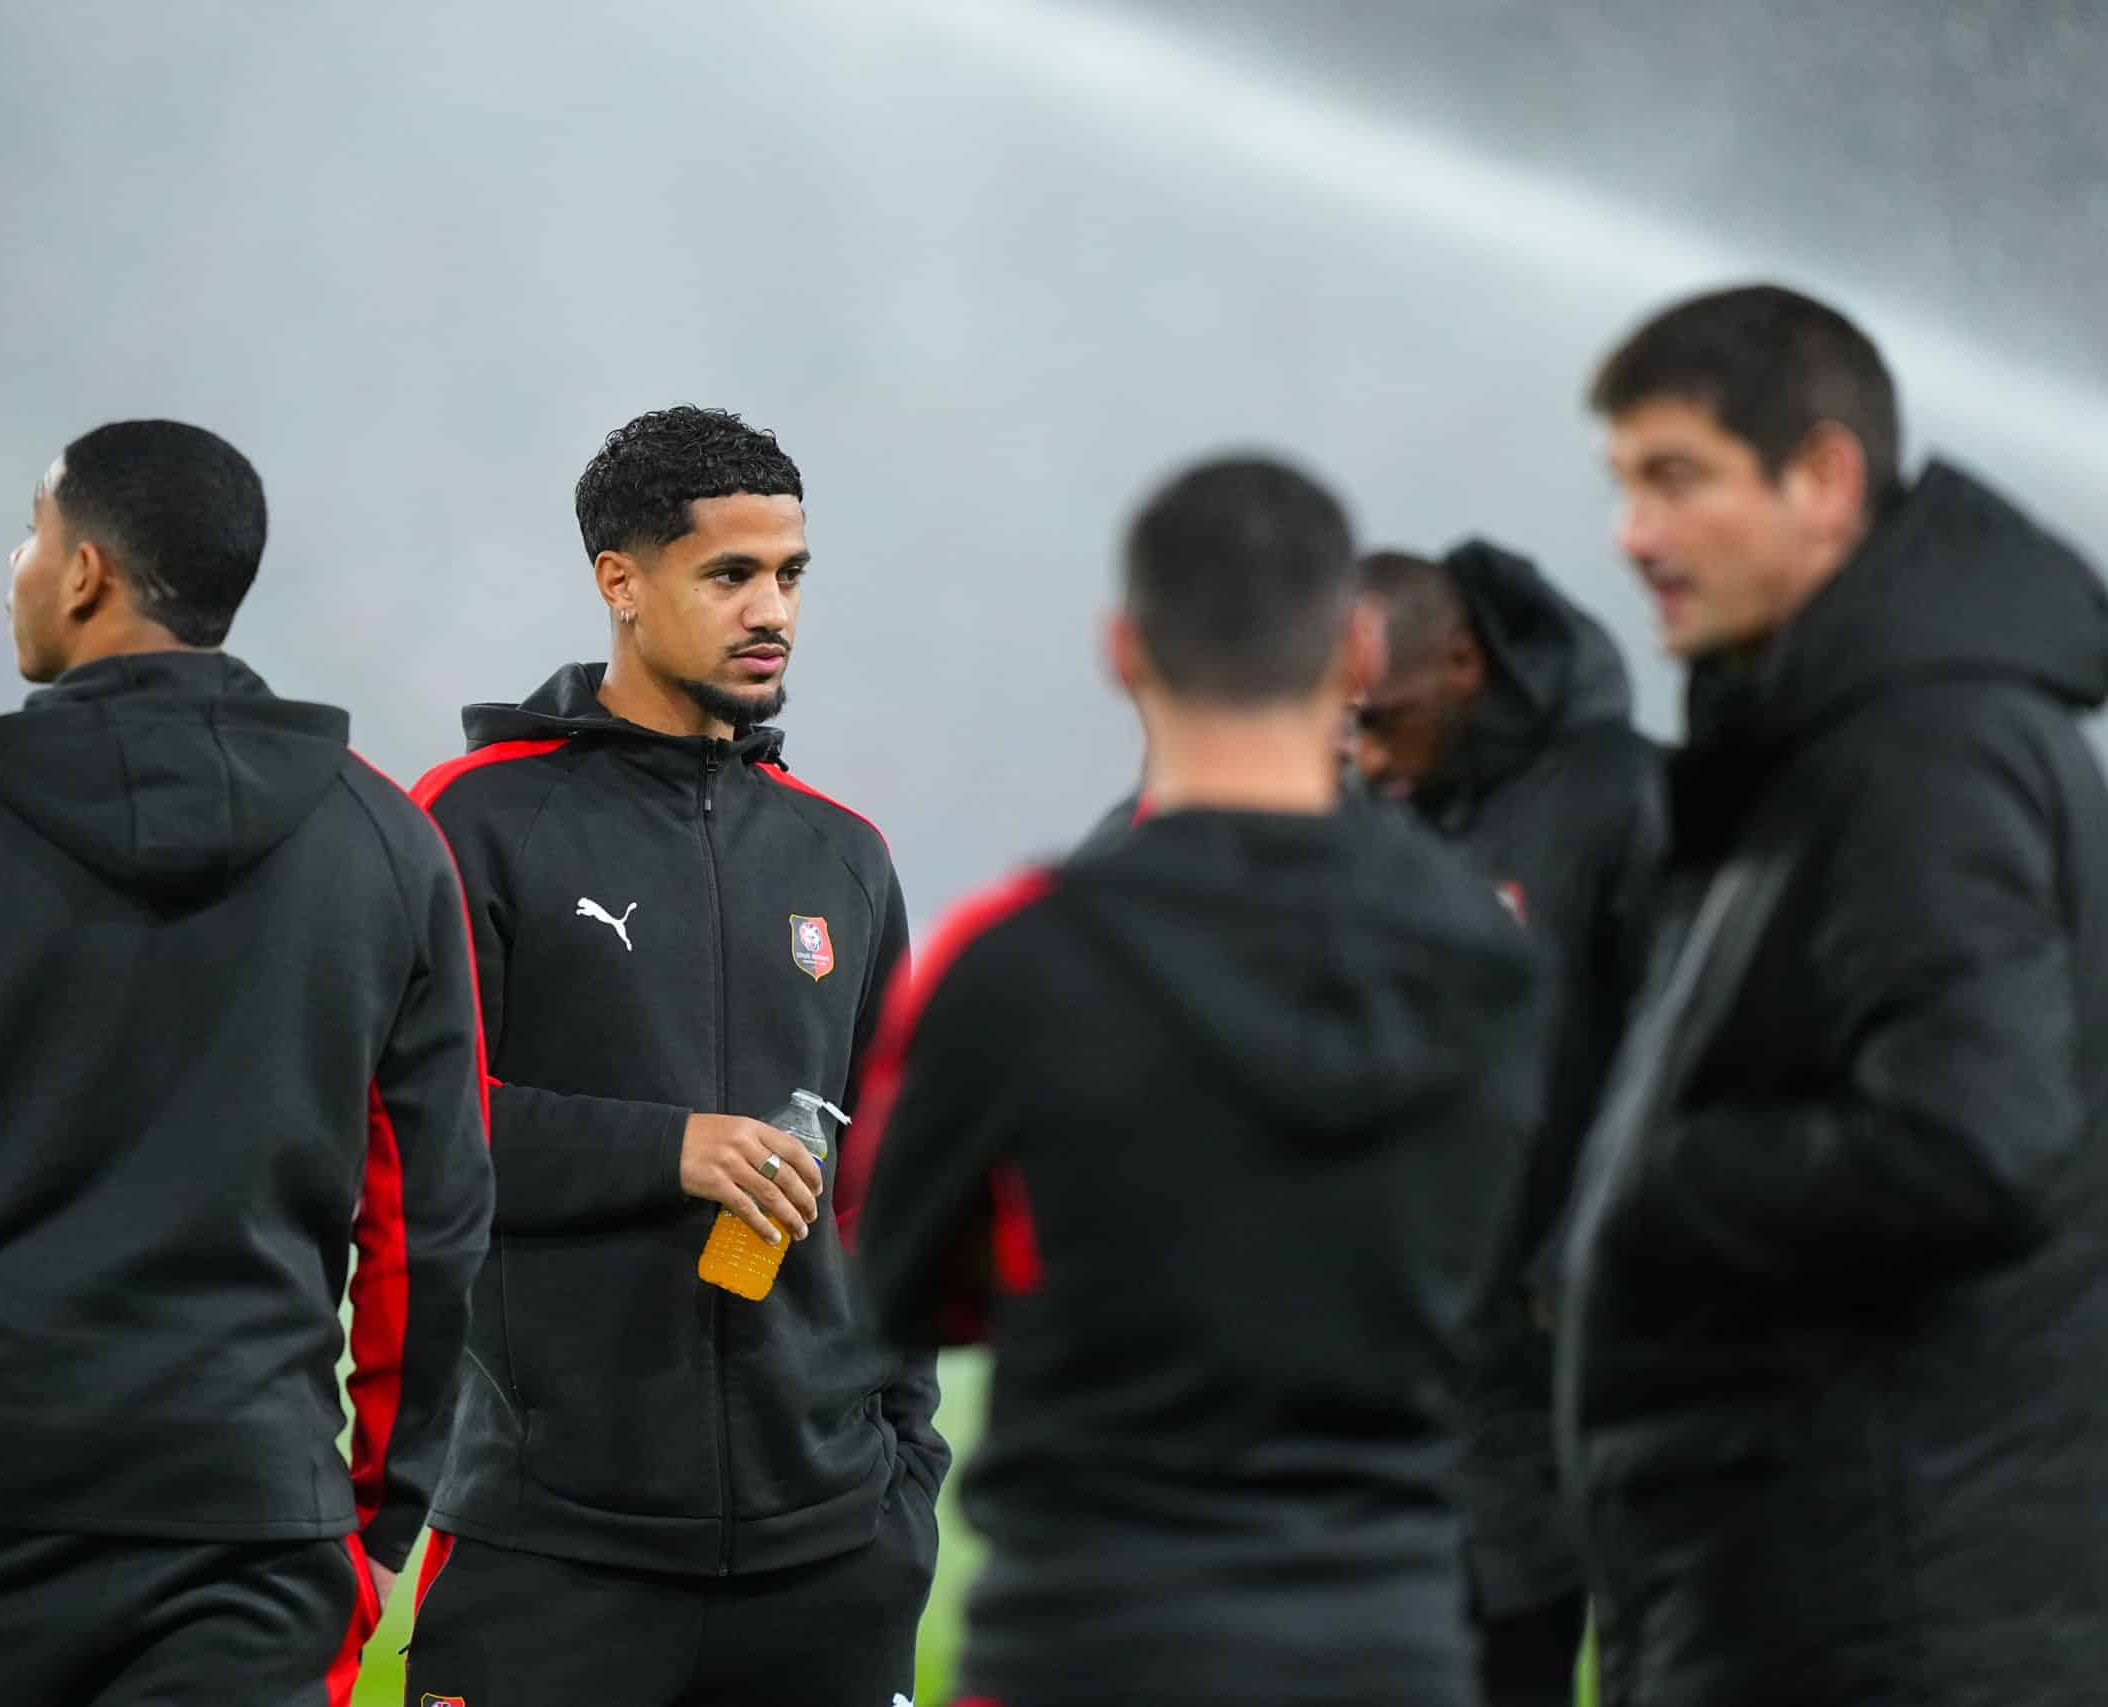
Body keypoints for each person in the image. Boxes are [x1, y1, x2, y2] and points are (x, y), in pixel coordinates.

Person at [0, 421, 494, 1707]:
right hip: (251, 1538)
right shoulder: (385, 846)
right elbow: (429, 1227)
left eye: (31, 534)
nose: (17, 567)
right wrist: (371, 1527)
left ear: (85, 572)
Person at [853, 454, 1547, 1707]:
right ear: (1355, 649)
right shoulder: (1488, 954)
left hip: (1091, 1639)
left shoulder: (1016, 955)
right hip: (1393, 1640)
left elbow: (898, 1285)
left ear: (1122, 650)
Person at [1559, 283, 2108, 1707]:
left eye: (1676, 478)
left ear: (1824, 478)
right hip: (1832, 1601)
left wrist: (1662, 1193)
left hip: (1881, 1622)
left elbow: (1968, 1137)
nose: (1636, 537)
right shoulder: (1851, 733)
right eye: (1624, 485)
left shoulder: (1925, 744)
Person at [403, 406, 946, 1707]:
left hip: (829, 1559)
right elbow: (402, 1132)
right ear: (622, 582)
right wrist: (667, 1147)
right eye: (732, 573)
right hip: (556, 1551)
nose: (774, 609)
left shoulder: (844, 856)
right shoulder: (476, 820)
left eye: (791, 573)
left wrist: (901, 1485)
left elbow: (891, 1183)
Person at [1351, 541, 1664, 1705]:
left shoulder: (1618, 794)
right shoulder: (1380, 813)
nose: (1363, 755)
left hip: (1567, 1373)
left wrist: (1577, 1265)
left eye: (1380, 719)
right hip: (1402, 1384)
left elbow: (1678, 1052)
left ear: (1462, 664)